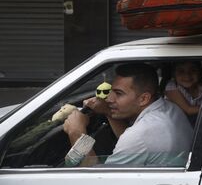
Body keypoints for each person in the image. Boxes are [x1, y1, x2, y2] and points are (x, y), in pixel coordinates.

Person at [63, 63, 193, 167]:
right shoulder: (169, 108)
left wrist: (77, 132)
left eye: (118, 93)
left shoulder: (141, 134)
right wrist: (109, 112)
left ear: (143, 99)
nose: (109, 99)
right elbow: (131, 141)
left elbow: (98, 180)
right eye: (111, 92)